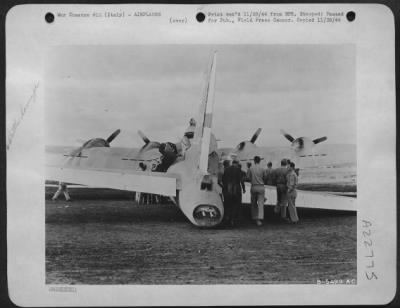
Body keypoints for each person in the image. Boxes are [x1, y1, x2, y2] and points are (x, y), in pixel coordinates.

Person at [222, 160, 246, 227]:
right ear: (237, 164)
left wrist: (224, 188)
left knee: (227, 204)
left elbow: (223, 180)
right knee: (235, 204)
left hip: (228, 189)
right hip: (236, 189)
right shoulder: (238, 170)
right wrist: (244, 189)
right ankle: (233, 220)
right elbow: (242, 181)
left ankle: (227, 218)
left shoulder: (227, 169)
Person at [246, 156, 267, 226]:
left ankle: (255, 217)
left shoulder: (250, 169)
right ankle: (260, 218)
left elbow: (248, 178)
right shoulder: (263, 169)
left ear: (254, 161)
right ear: (259, 161)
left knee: (253, 203)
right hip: (261, 186)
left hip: (254, 186)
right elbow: (265, 177)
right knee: (261, 203)